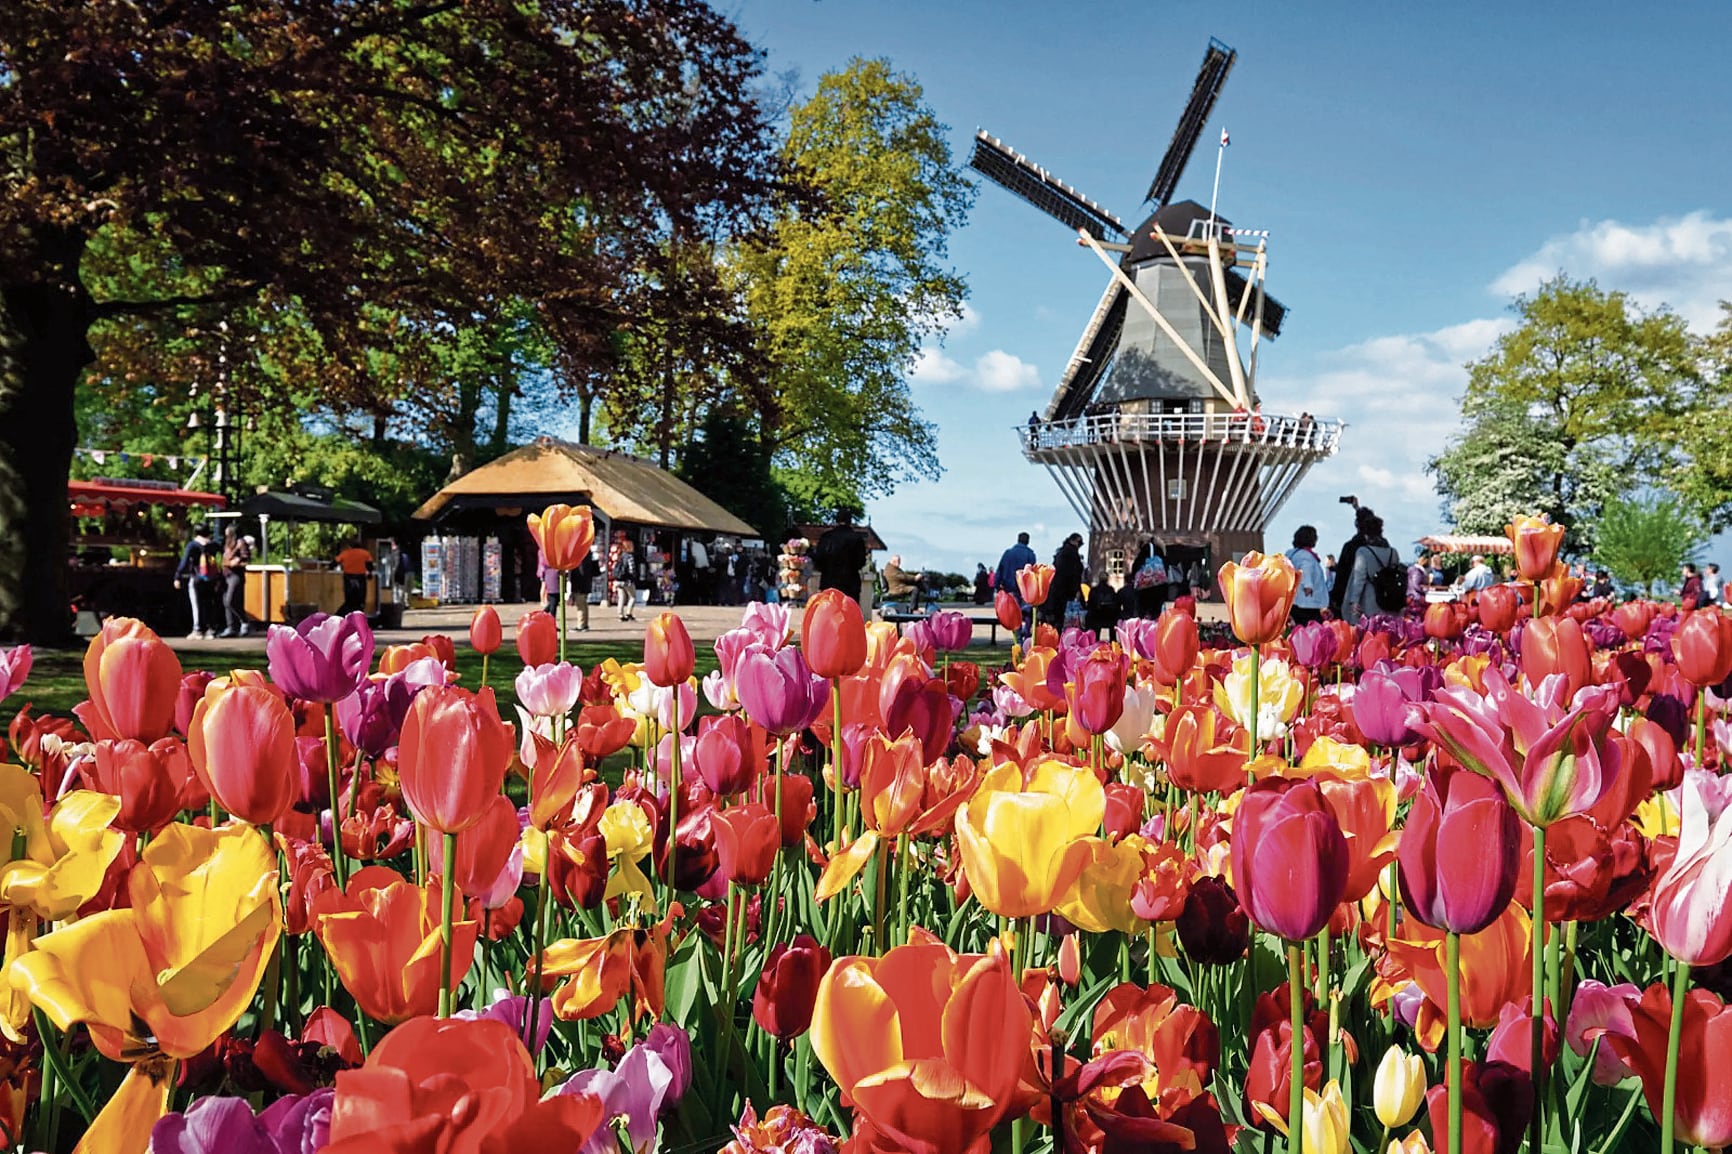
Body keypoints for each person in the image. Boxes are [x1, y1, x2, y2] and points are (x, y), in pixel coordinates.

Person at [1341, 515, 1400, 625]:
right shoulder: (1393, 552)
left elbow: (1359, 579)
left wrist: (1354, 601)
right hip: (1390, 601)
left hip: (1369, 600)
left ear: (1366, 534)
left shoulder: (1363, 552)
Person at [1328, 506, 1380, 617]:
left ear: (1357, 524)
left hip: (1351, 598)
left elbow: (1342, 575)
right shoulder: (1383, 547)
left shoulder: (1350, 546)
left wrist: (1336, 599)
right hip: (1377, 600)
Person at [812, 511, 869, 605]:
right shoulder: (857, 538)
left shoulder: (827, 537)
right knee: (849, 611)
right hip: (850, 583)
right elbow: (861, 562)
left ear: (836, 520)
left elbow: (819, 560)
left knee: (829, 610)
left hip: (829, 582)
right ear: (850, 521)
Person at [173, 524, 217, 639]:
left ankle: (197, 630)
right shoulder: (213, 545)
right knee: (208, 603)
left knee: (196, 604)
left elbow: (185, 561)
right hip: (210, 579)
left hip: (196, 577)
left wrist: (177, 576)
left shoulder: (192, 545)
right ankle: (209, 629)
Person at [1286, 525, 1328, 625]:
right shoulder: (1306, 555)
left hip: (1294, 600)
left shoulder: (1292, 554)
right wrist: (1307, 585)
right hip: (1307, 602)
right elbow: (1305, 569)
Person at [1043, 533, 1085, 629]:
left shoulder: (1061, 552)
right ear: (1073, 541)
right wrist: (1076, 590)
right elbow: (1074, 574)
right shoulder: (1072, 554)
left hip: (1056, 589)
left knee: (1057, 617)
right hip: (1066, 591)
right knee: (1063, 617)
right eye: (1079, 543)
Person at [218, 526, 252, 637]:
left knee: (230, 600)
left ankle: (245, 622)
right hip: (225, 574)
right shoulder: (227, 543)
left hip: (235, 575)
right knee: (226, 601)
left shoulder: (240, 542)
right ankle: (231, 627)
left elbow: (246, 558)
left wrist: (238, 561)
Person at [1128, 539, 1168, 619]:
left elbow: (1136, 566)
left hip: (1145, 587)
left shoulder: (1144, 552)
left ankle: (1145, 623)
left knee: (1143, 610)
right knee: (1156, 611)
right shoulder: (1160, 553)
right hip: (1159, 586)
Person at [994, 532, 1037, 604]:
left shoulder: (1008, 553)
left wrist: (997, 586)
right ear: (1028, 541)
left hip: (1008, 588)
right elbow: (1032, 573)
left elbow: (1000, 570)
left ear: (1018, 540)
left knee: (1010, 609)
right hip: (1023, 590)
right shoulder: (1030, 554)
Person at [335, 539, 374, 616]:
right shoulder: (365, 553)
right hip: (360, 578)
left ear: (351, 547)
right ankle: (359, 615)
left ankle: (342, 615)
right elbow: (369, 565)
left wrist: (329, 567)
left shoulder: (345, 553)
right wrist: (370, 573)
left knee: (349, 600)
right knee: (360, 599)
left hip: (348, 577)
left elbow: (335, 561)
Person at [1084, 571, 1122, 637]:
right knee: (1112, 633)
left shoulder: (1094, 590)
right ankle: (1112, 641)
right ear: (1107, 579)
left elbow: (1090, 604)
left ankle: (1096, 640)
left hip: (1096, 617)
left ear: (1099, 579)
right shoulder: (1111, 590)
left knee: (1096, 632)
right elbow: (1116, 603)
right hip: (1109, 617)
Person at [611, 541, 637, 621]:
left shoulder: (620, 555)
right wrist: (633, 577)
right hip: (627, 580)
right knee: (632, 597)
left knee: (621, 597)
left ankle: (620, 614)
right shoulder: (629, 556)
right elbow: (632, 569)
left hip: (618, 580)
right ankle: (629, 613)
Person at [575, 547, 599, 631]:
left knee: (580, 604)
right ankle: (584, 624)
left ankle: (581, 625)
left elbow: (580, 571)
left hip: (580, 584)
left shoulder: (580, 557)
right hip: (586, 583)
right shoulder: (588, 554)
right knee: (583, 604)